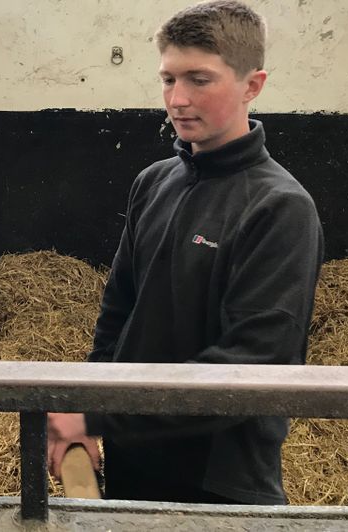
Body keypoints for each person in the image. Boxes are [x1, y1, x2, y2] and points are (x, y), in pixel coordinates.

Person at [47, 0, 324, 505]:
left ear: (252, 86)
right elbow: (118, 311)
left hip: (219, 478)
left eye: (199, 79)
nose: (177, 98)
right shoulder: (154, 183)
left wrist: (96, 415)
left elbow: (251, 367)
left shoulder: (279, 208)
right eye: (168, 79)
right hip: (135, 455)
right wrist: (89, 403)